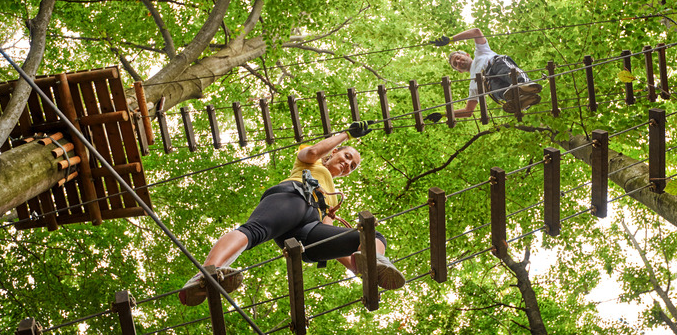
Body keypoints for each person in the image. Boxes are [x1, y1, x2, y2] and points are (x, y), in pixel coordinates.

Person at [178, 121, 405, 306]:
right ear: (334, 152)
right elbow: (315, 150)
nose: (348, 164)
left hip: (307, 231)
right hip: (293, 198)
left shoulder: (333, 198)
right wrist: (346, 134)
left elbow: (329, 236)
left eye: (352, 166)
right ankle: (206, 272)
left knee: (370, 237)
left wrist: (361, 273)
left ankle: (375, 263)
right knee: (254, 231)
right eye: (346, 157)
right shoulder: (310, 162)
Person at [427, 28, 542, 120]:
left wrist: (451, 39)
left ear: (467, 55)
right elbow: (468, 111)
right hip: (488, 83)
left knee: (508, 72)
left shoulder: (481, 52)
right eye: (455, 64)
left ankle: (525, 86)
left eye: (458, 58)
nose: (458, 62)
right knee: (496, 91)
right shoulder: (473, 84)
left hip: (494, 65)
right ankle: (521, 100)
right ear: (460, 71)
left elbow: (476, 32)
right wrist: (444, 114)